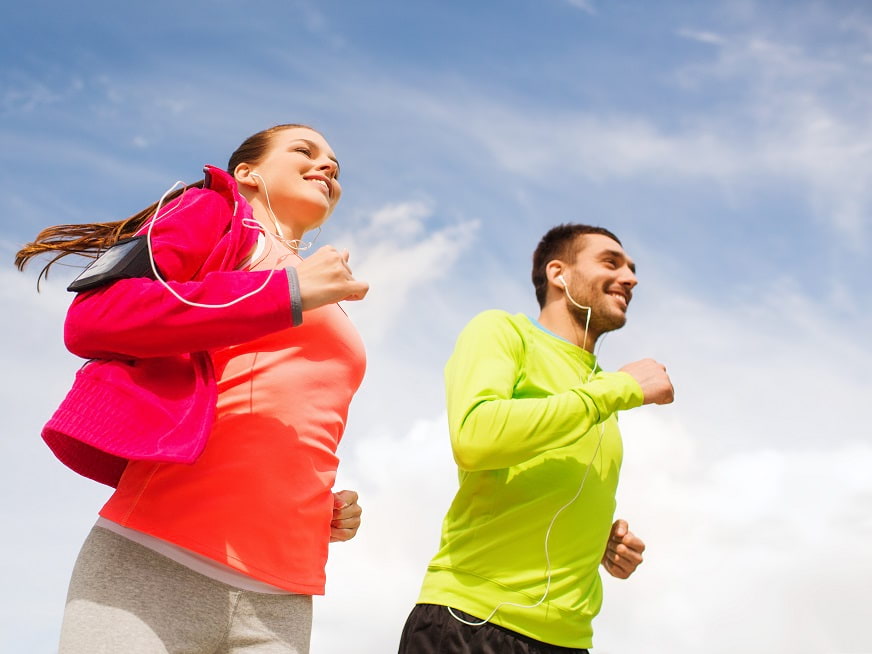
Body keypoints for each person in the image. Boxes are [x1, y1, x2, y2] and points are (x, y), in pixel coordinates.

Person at [15, 124, 370, 654]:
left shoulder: (326, 293)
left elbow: (283, 407)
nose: (327, 167)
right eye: (305, 151)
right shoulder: (216, 215)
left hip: (282, 590)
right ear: (247, 173)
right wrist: (286, 289)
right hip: (156, 559)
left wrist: (316, 502)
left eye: (335, 166)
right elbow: (96, 317)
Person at [398, 224, 675, 654]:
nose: (631, 278)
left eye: (633, 269)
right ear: (558, 273)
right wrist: (617, 389)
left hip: (567, 639)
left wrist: (597, 540)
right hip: (470, 621)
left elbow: (549, 482)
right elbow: (475, 437)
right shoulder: (504, 332)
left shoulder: (602, 386)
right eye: (611, 262)